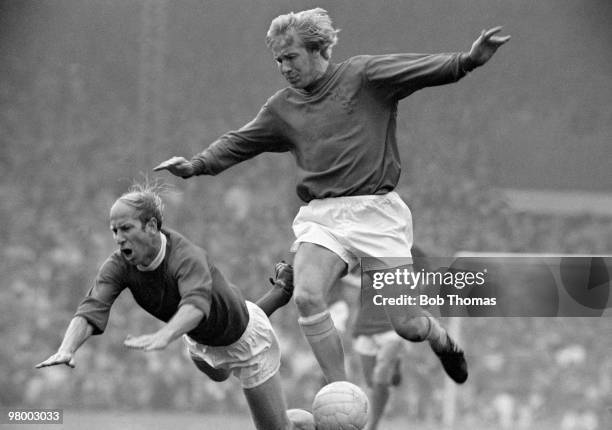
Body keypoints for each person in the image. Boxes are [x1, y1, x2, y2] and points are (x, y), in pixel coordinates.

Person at [154, 7, 510, 384]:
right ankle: (341, 389)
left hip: (378, 215)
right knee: (307, 295)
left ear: (318, 49)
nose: (283, 67)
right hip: (323, 217)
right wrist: (197, 164)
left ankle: (440, 337)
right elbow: (240, 141)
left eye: (290, 57)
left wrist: (468, 61)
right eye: (278, 60)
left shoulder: (363, 75)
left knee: (406, 325)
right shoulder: (282, 108)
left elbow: (420, 70)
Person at [35, 184, 302, 430]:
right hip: (200, 340)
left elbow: (195, 306)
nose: (118, 238)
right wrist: (66, 349)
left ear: (151, 226)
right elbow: (92, 307)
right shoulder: (118, 266)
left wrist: (164, 335)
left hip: (248, 343)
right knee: (220, 370)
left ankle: (281, 292)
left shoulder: (186, 256)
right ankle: (280, 293)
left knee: (279, 428)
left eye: (126, 228)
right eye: (114, 231)